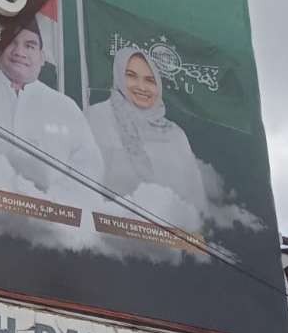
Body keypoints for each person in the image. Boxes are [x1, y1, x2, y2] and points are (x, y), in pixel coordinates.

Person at [0, 19, 104, 194]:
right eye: (11, 43)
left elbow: (89, 166)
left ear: (42, 57)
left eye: (30, 46)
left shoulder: (65, 106)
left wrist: (55, 198)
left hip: (46, 212)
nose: (19, 52)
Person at [85, 47, 208, 213]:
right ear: (119, 76)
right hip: (107, 229)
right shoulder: (96, 117)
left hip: (172, 234)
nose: (142, 87)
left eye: (150, 80)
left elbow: (197, 201)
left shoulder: (175, 134)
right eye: (131, 76)